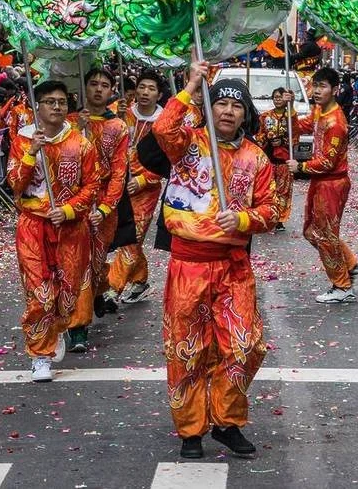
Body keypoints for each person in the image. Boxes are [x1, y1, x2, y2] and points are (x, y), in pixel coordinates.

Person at [153, 61, 276, 460]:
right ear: (209, 108)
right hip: (188, 265)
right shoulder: (188, 144)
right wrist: (192, 84)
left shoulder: (256, 158)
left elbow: (272, 211)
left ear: (246, 114)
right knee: (187, 347)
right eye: (221, 102)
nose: (228, 111)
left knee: (246, 345)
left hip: (233, 266)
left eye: (237, 106)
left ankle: (226, 420)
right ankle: (191, 429)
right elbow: (162, 128)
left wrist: (242, 219)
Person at [6, 80, 101, 383]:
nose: (56, 107)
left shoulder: (81, 144)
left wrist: (69, 210)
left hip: (70, 229)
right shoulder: (23, 140)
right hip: (33, 226)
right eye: (50, 102)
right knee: (39, 294)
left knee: (67, 295)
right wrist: (31, 153)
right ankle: (40, 355)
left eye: (61, 102)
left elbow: (92, 185)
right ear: (38, 106)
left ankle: (56, 328)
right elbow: (14, 182)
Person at [288, 67, 358, 303]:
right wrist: (290, 108)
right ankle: (353, 267)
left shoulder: (336, 122)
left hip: (332, 184)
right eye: (315, 85)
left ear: (335, 90)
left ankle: (342, 286)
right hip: (320, 182)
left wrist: (300, 167)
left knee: (325, 235)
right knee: (311, 232)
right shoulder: (318, 110)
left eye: (322, 86)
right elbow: (302, 126)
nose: (316, 91)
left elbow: (328, 162)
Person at [66, 66, 128, 353]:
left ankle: (96, 293)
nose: (99, 89)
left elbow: (119, 172)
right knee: (76, 265)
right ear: (84, 87)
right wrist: (75, 130)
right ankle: (78, 326)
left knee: (94, 262)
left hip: (102, 207)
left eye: (104, 84)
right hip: (72, 203)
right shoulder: (68, 122)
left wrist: (104, 208)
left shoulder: (118, 127)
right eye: (93, 83)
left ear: (111, 90)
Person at [108, 70, 165, 307]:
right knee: (126, 237)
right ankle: (140, 280)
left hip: (145, 191)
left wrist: (143, 180)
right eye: (142, 87)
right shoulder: (121, 112)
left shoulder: (164, 123)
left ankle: (111, 289)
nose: (145, 92)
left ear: (159, 95)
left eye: (151, 88)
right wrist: (115, 120)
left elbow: (169, 161)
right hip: (118, 185)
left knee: (131, 238)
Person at [255, 86, 299, 231]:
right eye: (275, 97)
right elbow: (259, 135)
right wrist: (267, 139)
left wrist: (283, 141)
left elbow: (295, 136)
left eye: (280, 97)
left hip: (284, 160)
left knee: (283, 190)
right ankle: (268, 216)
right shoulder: (265, 116)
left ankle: (280, 219)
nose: (277, 100)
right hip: (269, 159)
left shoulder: (290, 116)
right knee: (269, 189)